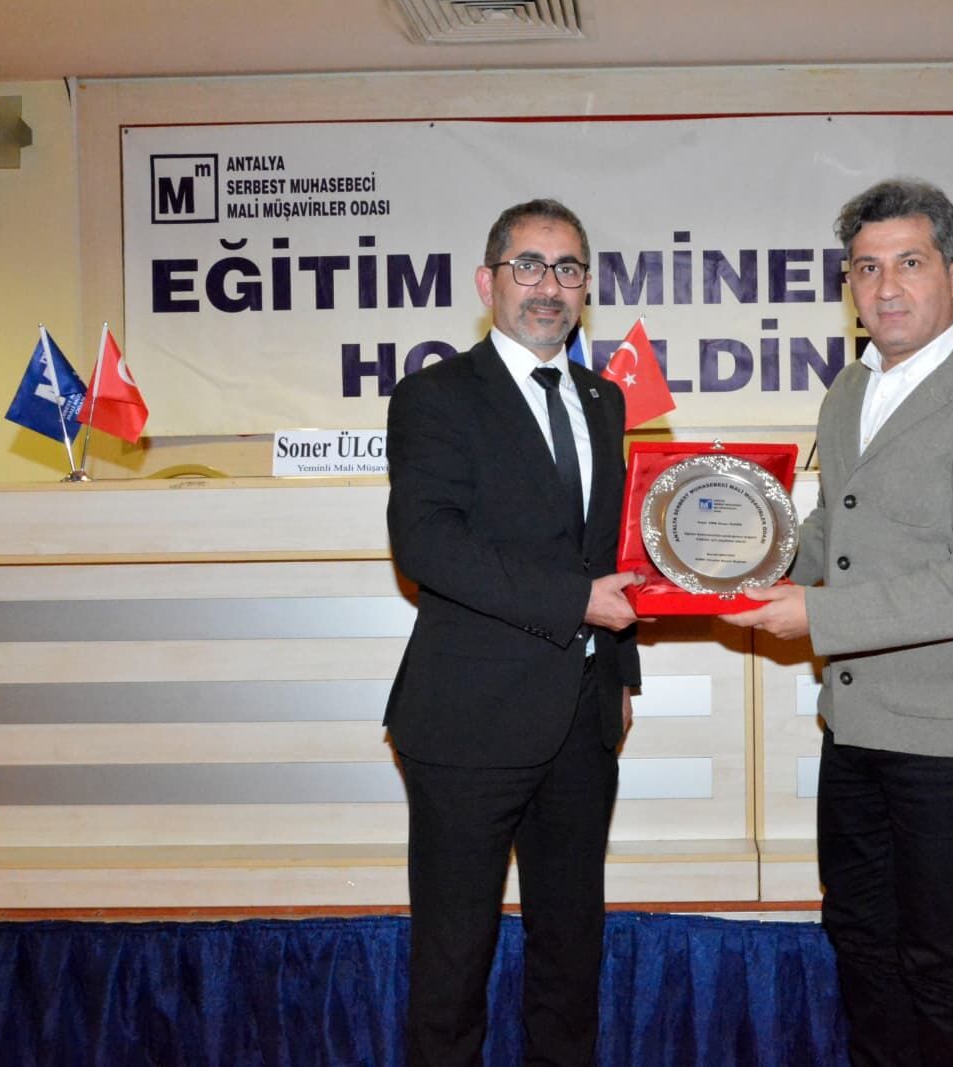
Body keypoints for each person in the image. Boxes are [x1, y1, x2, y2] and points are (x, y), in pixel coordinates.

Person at [723, 178, 953, 1066]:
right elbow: (832, 529)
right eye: (866, 268)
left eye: (909, 262)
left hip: (952, 737)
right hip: (857, 725)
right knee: (861, 939)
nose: (886, 286)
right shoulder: (850, 388)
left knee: (938, 961)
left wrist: (817, 613)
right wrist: (733, 565)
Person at [384, 198, 643, 1066]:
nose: (548, 286)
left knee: (571, 955)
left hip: (583, 721)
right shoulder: (434, 396)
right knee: (453, 963)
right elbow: (427, 545)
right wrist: (577, 603)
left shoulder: (604, 399)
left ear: (586, 288)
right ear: (486, 281)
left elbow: (609, 549)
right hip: (468, 720)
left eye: (568, 269)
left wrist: (620, 676)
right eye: (528, 265)